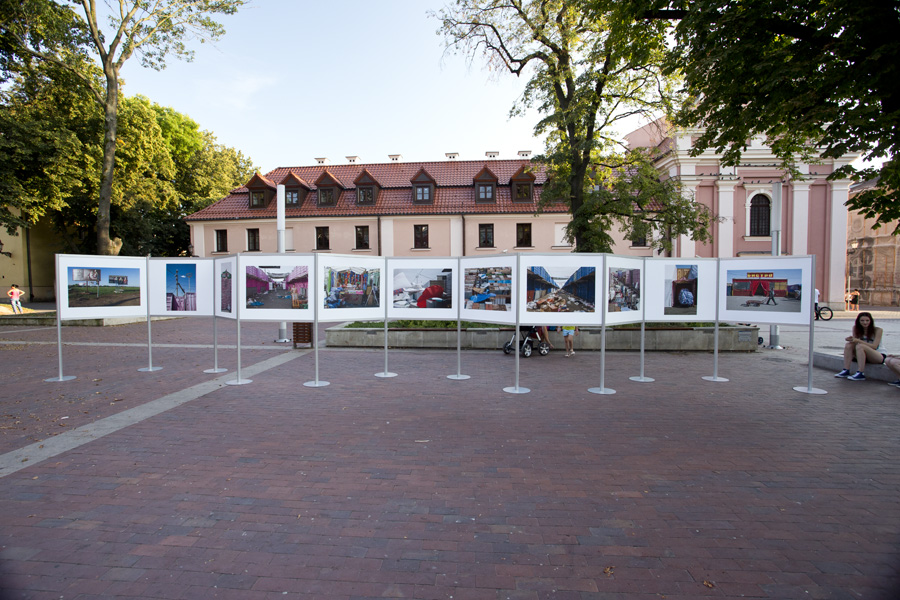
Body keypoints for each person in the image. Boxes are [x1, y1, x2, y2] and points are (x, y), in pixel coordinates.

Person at [835, 312, 884, 381]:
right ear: (858, 321)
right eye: (862, 320)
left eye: (867, 320)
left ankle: (861, 373)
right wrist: (851, 340)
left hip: (877, 355)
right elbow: (855, 343)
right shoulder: (856, 328)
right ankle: (846, 370)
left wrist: (858, 341)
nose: (865, 323)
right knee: (849, 345)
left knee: (860, 346)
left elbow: (874, 346)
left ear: (871, 321)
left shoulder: (878, 330)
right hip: (861, 354)